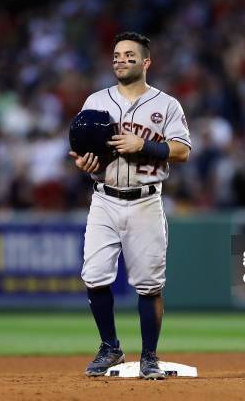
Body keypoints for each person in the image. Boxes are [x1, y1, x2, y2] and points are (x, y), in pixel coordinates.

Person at [69, 32, 191, 379]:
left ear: (145, 62)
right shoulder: (95, 100)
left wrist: (144, 145)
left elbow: (182, 151)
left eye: (128, 55)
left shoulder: (166, 105)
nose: (120, 60)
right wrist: (84, 162)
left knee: (149, 284)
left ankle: (149, 356)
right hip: (104, 198)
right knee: (93, 275)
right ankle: (110, 347)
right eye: (116, 55)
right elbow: (82, 149)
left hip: (145, 201)